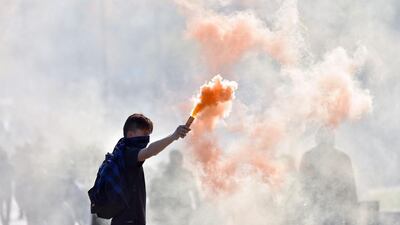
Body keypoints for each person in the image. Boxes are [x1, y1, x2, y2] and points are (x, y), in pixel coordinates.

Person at [110, 113, 191, 225]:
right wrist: (174, 136)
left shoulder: (122, 153)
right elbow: (150, 151)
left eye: (148, 135)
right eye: (144, 134)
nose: (146, 139)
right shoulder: (127, 154)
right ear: (130, 134)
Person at [299, 127, 358, 225]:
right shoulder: (343, 157)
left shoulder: (308, 156)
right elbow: (351, 189)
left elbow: (301, 185)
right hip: (327, 208)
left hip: (320, 208)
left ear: (317, 139)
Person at [149, 150, 199, 225]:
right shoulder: (163, 175)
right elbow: (154, 192)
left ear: (181, 160)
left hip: (184, 210)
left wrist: (199, 206)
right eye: (173, 160)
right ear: (170, 160)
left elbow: (195, 191)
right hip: (167, 211)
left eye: (178, 159)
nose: (176, 163)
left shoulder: (187, 174)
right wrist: (155, 208)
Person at [0, 149, 13, 225]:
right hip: (8, 187)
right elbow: (13, 176)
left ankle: (2, 219)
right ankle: (7, 220)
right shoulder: (10, 165)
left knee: (0, 205)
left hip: (0, 187)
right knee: (8, 204)